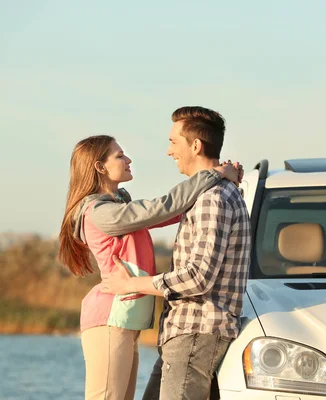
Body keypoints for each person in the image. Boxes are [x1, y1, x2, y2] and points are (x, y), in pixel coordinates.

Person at [57, 134, 242, 400]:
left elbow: (175, 210)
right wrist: (213, 174)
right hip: (110, 318)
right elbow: (162, 207)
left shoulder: (118, 209)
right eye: (119, 155)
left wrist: (226, 182)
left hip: (125, 321)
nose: (128, 159)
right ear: (99, 167)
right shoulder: (99, 212)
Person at [101, 106, 252, 400]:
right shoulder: (214, 194)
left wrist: (130, 285)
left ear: (195, 145)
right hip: (187, 333)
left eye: (173, 142)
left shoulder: (213, 199)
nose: (169, 152)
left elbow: (198, 278)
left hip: (196, 332)